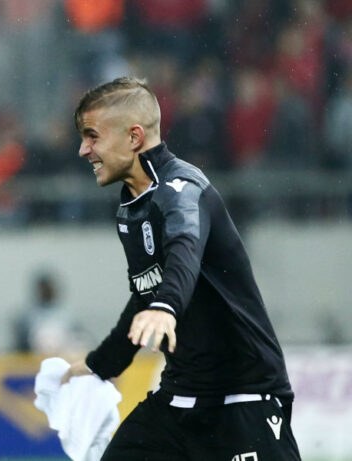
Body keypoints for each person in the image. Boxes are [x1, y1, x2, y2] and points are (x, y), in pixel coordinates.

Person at [63, 77, 301, 460]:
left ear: (134, 137)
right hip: (178, 401)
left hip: (242, 398)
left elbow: (184, 250)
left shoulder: (183, 190)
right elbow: (145, 298)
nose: (83, 150)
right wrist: (101, 364)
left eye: (92, 136)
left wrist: (166, 306)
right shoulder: (131, 208)